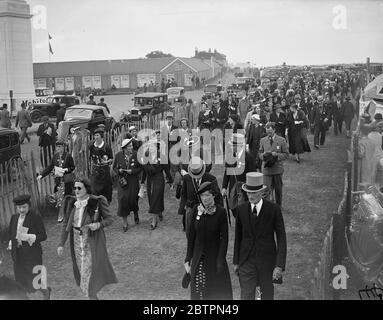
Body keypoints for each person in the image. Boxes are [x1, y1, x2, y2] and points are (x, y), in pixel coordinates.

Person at [57, 178, 117, 300]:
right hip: (76, 242)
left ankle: (91, 295)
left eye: (79, 188)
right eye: (75, 188)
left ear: (86, 189)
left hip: (91, 241)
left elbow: (110, 219)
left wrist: (98, 224)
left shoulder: (96, 202)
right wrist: (61, 244)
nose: (76, 190)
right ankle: (92, 296)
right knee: (82, 271)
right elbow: (65, 225)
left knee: (89, 272)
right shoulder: (72, 202)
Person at [233, 172, 287, 300]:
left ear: (262, 192)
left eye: (254, 193)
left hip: (267, 262)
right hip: (246, 261)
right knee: (246, 294)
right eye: (249, 192)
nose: (251, 196)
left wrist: (279, 265)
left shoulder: (274, 210)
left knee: (266, 295)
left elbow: (281, 238)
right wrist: (236, 261)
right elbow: (238, 237)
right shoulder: (240, 210)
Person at [184, 181, 233, 300]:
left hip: (214, 258)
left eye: (207, 195)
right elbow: (191, 236)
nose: (204, 198)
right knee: (199, 290)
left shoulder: (221, 212)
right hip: (198, 257)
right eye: (202, 196)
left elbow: (224, 238)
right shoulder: (196, 209)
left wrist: (220, 259)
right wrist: (188, 257)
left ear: (213, 195)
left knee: (215, 291)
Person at [6, 195, 51, 300]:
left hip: (32, 255)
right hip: (18, 255)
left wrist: (32, 237)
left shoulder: (35, 217)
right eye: (19, 207)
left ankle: (46, 291)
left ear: (29, 206)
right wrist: (11, 242)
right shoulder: (14, 218)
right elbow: (11, 234)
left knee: (34, 281)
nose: (21, 210)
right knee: (20, 281)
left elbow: (43, 236)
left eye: (24, 207)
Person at [180, 156, 223, 235]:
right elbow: (184, 194)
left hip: (206, 212)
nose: (197, 176)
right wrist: (184, 208)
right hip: (191, 211)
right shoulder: (186, 178)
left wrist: (219, 214)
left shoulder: (211, 179)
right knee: (190, 235)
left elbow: (218, 197)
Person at [37, 139, 75, 220]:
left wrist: (66, 170)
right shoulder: (55, 156)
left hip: (66, 181)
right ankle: (61, 214)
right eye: (57, 147)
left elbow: (72, 167)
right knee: (59, 197)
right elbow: (50, 167)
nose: (58, 148)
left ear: (64, 147)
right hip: (58, 181)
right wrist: (42, 175)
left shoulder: (68, 156)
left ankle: (65, 214)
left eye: (60, 147)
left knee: (65, 197)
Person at [222, 133, 257, 216]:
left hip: (244, 191)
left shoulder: (249, 158)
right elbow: (227, 173)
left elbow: (253, 175)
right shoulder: (229, 157)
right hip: (232, 190)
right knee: (234, 210)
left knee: (244, 213)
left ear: (240, 145)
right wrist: (224, 187)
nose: (231, 147)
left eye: (233, 145)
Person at [141, 140, 173, 230]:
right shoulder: (146, 155)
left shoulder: (162, 156)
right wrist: (142, 181)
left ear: (156, 146)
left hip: (159, 178)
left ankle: (154, 221)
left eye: (152, 146)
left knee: (155, 197)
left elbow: (167, 170)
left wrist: (170, 181)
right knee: (152, 198)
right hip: (150, 179)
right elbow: (144, 170)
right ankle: (159, 211)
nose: (150, 147)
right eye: (149, 146)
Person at [113, 138, 142, 232]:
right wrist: (119, 171)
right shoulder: (118, 155)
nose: (131, 147)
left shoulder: (136, 154)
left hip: (133, 181)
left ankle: (135, 212)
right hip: (123, 182)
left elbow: (140, 168)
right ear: (124, 148)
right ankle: (125, 222)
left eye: (132, 146)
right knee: (122, 200)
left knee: (133, 199)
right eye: (129, 146)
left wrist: (132, 171)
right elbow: (114, 168)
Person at [259, 122, 289, 207]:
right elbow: (259, 153)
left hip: (277, 170)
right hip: (266, 170)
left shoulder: (281, 140)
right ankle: (266, 208)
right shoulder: (263, 140)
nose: (269, 134)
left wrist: (277, 155)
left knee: (278, 191)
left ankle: (278, 207)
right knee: (265, 191)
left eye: (270, 132)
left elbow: (286, 154)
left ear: (274, 130)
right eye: (267, 132)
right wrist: (263, 156)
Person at [89, 128, 113, 203]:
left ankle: (106, 201)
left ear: (101, 136)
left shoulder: (106, 146)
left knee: (106, 187)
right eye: (95, 135)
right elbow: (90, 157)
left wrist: (105, 162)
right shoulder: (92, 146)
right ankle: (96, 201)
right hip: (95, 169)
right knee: (94, 187)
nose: (96, 137)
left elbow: (111, 159)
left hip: (104, 170)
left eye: (97, 135)